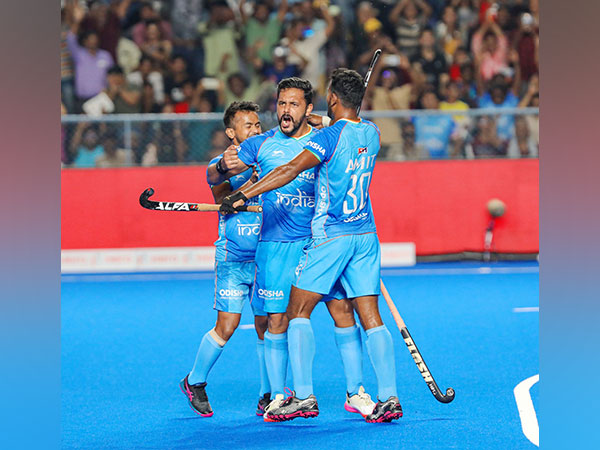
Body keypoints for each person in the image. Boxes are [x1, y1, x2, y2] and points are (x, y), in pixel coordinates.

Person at [219, 69, 402, 423]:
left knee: (298, 310)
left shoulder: (328, 137)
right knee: (370, 317)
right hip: (366, 236)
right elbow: (341, 123)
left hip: (331, 236)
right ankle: (388, 396)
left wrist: (243, 193)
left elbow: (288, 170)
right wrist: (321, 117)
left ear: (332, 99)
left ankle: (302, 397)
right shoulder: (372, 132)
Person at [180, 101, 271, 417]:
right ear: (231, 132)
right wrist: (247, 178)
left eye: (258, 124)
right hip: (233, 258)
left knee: (266, 325)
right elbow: (223, 197)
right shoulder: (223, 163)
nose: (256, 130)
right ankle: (195, 381)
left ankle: (267, 395)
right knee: (227, 326)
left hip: (266, 257)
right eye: (249, 125)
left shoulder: (271, 157)